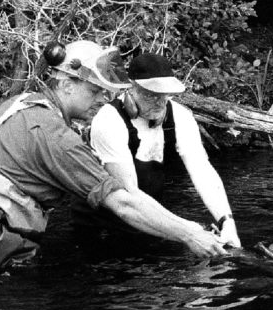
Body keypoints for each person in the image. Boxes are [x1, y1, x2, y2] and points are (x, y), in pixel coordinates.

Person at [0, 40, 229, 272]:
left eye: (107, 93)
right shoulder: (56, 136)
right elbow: (124, 203)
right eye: (95, 91)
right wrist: (190, 234)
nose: (104, 100)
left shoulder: (19, 104)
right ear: (66, 83)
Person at [75, 52, 241, 248]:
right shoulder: (108, 120)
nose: (160, 102)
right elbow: (129, 195)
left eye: (165, 95)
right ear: (131, 88)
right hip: (101, 227)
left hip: (148, 222)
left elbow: (202, 170)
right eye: (151, 95)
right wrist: (189, 231)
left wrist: (227, 221)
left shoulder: (181, 117)